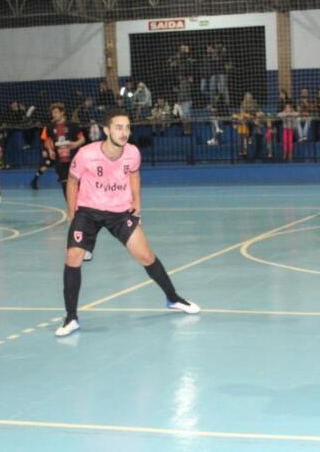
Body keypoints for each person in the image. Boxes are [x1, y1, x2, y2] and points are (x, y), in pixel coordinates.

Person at [55, 108, 200, 337]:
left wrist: (137, 201)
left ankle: (173, 298)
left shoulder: (132, 153)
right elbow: (72, 181)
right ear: (106, 130)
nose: (124, 132)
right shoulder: (86, 154)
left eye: (127, 127)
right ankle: (71, 317)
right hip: (88, 211)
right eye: (119, 127)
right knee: (73, 257)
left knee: (146, 256)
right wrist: (72, 215)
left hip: (120, 212)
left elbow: (134, 174)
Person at [33, 103, 85, 196]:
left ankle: (80, 204)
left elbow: (82, 139)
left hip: (73, 159)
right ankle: (70, 206)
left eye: (56, 112)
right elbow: (47, 140)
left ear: (62, 113)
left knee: (77, 183)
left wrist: (76, 144)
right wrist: (49, 150)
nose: (54, 114)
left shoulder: (72, 125)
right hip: (59, 161)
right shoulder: (49, 127)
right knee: (64, 184)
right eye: (52, 112)